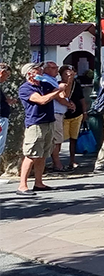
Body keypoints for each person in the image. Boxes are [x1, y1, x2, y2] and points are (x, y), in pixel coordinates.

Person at [16, 63, 64, 194]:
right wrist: (58, 90)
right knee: (31, 155)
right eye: (37, 69)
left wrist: (64, 85)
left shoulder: (44, 85)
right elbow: (42, 100)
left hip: (49, 122)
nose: (41, 71)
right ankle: (22, 186)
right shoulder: (25, 88)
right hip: (35, 124)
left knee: (43, 154)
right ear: (30, 73)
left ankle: (39, 183)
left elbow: (59, 94)